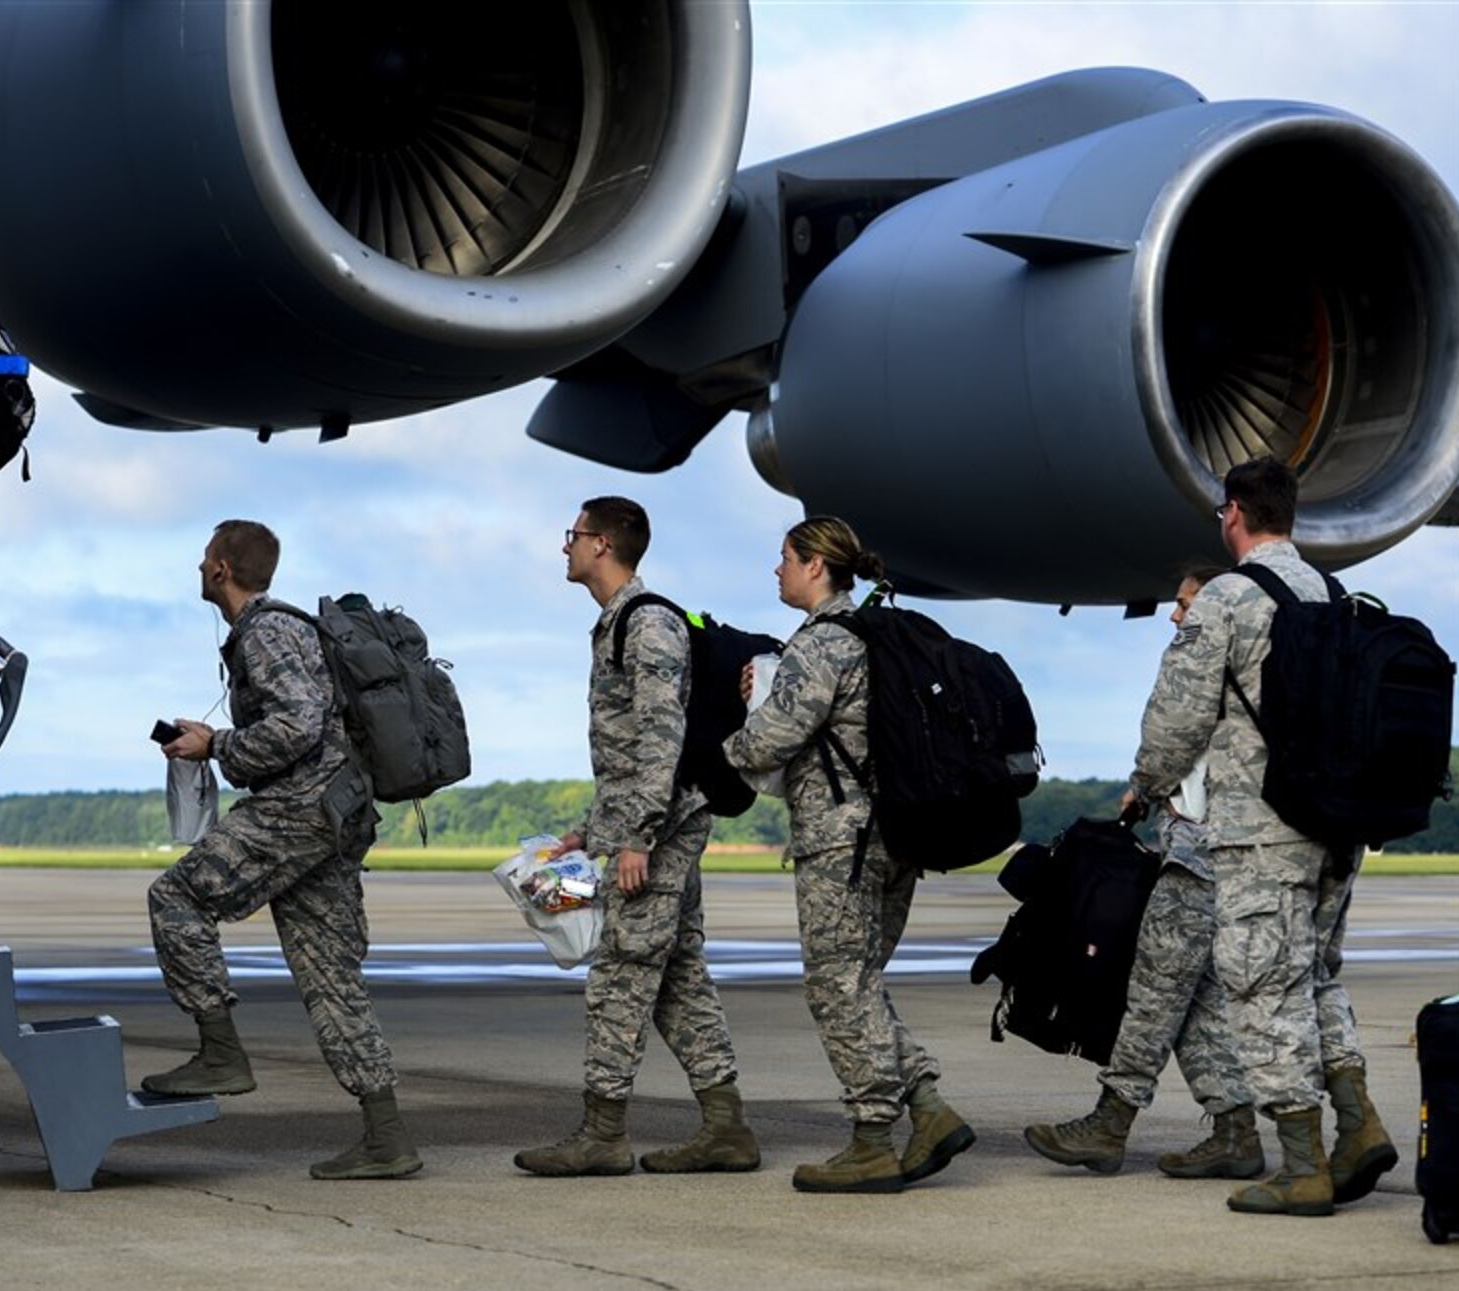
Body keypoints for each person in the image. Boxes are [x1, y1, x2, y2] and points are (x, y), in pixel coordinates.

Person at [1125, 457, 1394, 1216]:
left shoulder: (1228, 599)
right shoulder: (1330, 592)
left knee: (1261, 986)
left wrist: (1146, 783)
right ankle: (1358, 1124)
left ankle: (1303, 1164)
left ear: (1234, 513)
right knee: (1314, 979)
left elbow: (1176, 722)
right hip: (1337, 826)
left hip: (1259, 830)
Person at [143, 519, 420, 1181]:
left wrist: (221, 748)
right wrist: (220, 739)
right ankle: (387, 1137)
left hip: (301, 808)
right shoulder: (280, 631)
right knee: (331, 977)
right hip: (334, 812)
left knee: (176, 897)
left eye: (205, 556)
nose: (199, 564)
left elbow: (297, 722)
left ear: (220, 570)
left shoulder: (266, 631)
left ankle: (220, 1054)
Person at [722, 516, 973, 1194]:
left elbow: (772, 742)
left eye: (784, 558)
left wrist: (722, 752)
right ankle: (928, 1109)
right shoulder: (876, 631)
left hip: (841, 840)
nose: (777, 570)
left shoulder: (822, 643)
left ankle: (871, 1139)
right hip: (897, 834)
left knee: (836, 987)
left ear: (813, 566)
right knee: (859, 982)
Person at [514, 497, 758, 1178]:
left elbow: (661, 742)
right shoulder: (617, 623)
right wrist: (586, 833)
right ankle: (726, 1127)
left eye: (574, 535)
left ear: (602, 545)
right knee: (678, 978)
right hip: (649, 822)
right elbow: (629, 759)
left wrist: (638, 838)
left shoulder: (647, 625)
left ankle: (602, 1134)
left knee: (621, 975)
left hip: (663, 829)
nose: (566, 547)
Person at [1024, 566, 1267, 1180]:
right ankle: (1236, 1127)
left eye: (1185, 603)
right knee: (1194, 998)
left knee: (1154, 991)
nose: (1175, 614)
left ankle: (1111, 1122)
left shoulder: (1208, 664)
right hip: (1229, 850)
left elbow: (1171, 739)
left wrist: (1144, 785)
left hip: (1196, 851)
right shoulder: (1256, 669)